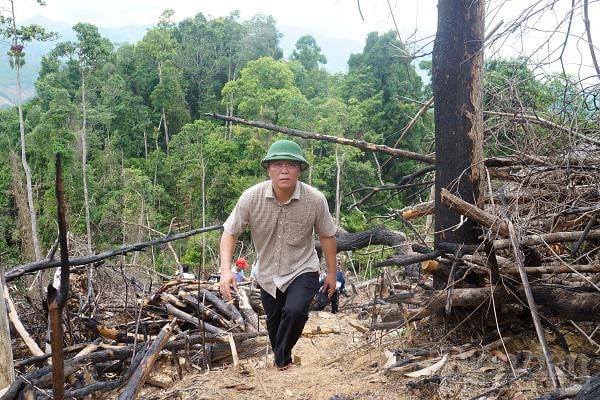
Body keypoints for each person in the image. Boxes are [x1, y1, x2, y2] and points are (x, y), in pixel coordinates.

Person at [219, 139, 338, 370]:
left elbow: (327, 236)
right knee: (274, 324)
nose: (284, 169)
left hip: (302, 267)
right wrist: (226, 271)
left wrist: (332, 273)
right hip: (267, 273)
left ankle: (282, 361)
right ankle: (281, 359)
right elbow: (230, 233)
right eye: (278, 164)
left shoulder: (315, 200)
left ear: (300, 169)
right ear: (268, 169)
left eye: (291, 164)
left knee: (295, 311)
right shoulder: (251, 197)